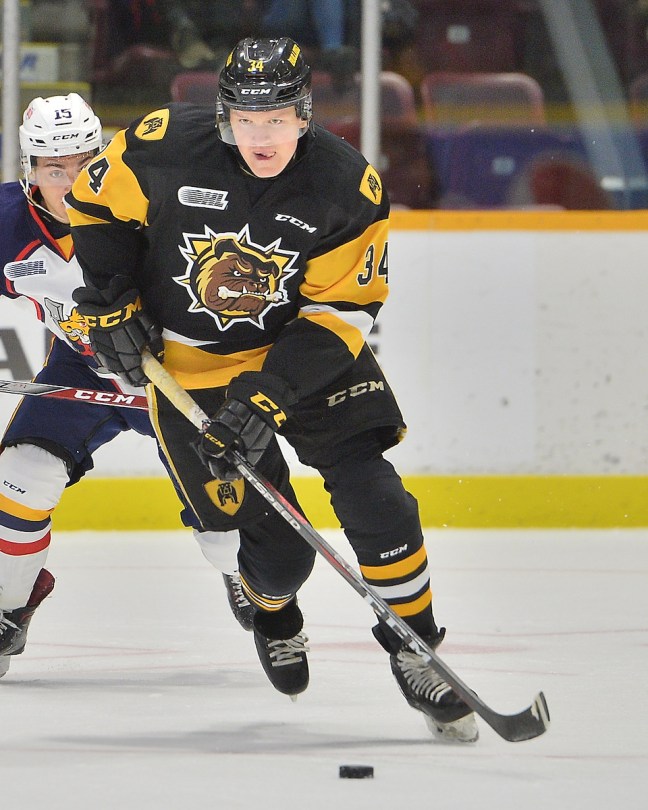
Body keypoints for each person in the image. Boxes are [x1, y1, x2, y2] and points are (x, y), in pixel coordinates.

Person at [67, 38, 478, 743]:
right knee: (280, 556)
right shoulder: (161, 146)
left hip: (304, 358)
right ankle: (274, 611)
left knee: (376, 497)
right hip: (191, 368)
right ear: (225, 116)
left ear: (305, 114)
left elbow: (339, 311)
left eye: (279, 118)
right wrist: (110, 297)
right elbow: (95, 207)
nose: (264, 136)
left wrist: (265, 395)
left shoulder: (347, 185)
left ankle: (417, 646)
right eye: (249, 120)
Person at [0, 93, 253, 679]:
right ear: (29, 170)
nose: (67, 183)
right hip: (80, 371)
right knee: (22, 474)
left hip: (179, 376)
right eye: (51, 169)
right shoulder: (9, 224)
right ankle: (8, 608)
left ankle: (253, 581)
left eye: (82, 165)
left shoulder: (148, 207)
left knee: (224, 512)